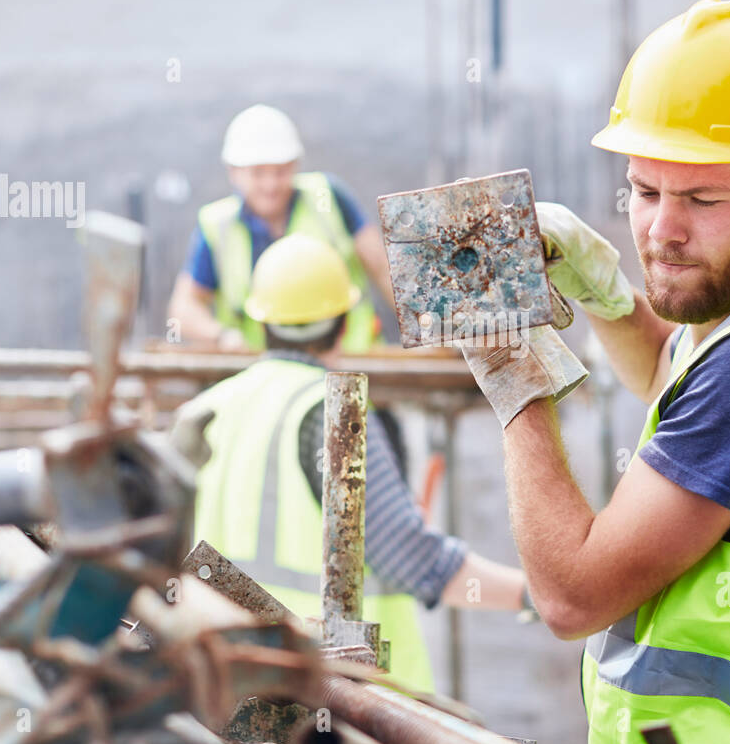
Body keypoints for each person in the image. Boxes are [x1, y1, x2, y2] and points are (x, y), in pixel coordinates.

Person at [459, 0, 730, 744]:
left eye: (700, 199)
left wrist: (511, 371)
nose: (661, 230)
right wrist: (606, 293)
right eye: (645, 192)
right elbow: (670, 373)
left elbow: (571, 597)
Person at [185, 233, 531, 694]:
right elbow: (412, 559)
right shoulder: (333, 413)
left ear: (258, 322)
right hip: (340, 704)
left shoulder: (207, 408)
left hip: (222, 690)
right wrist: (533, 594)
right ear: (345, 323)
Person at [167, 104, 394, 353]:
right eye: (258, 173)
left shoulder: (328, 198)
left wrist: (429, 331)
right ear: (234, 172)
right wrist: (222, 336)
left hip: (349, 368)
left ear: (296, 165)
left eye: (281, 171)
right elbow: (184, 308)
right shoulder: (217, 226)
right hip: (261, 378)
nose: (271, 184)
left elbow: (385, 271)